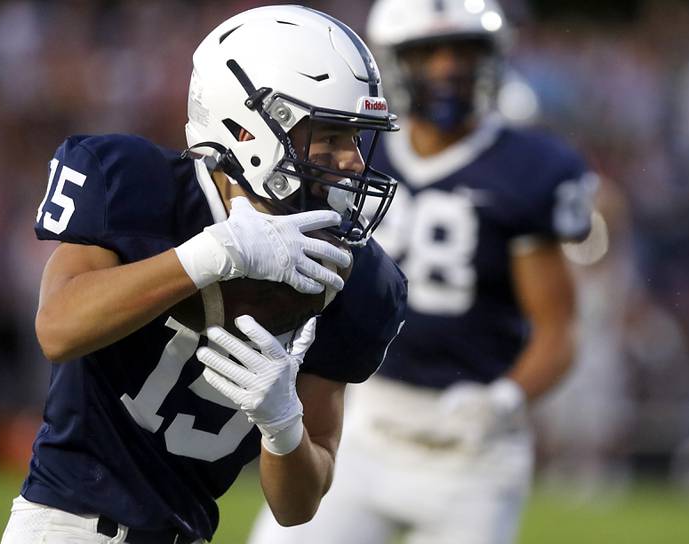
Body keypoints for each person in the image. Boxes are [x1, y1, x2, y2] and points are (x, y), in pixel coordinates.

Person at [0, 5, 406, 544]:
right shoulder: (137, 184)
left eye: (356, 139)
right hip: (69, 528)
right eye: (330, 136)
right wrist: (212, 255)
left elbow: (298, 507)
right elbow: (58, 328)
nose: (353, 162)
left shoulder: (356, 274)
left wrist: (283, 425)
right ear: (247, 127)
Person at [247, 1, 596, 543]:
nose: (447, 67)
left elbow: (559, 330)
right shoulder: (355, 150)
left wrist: (506, 399)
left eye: (464, 49)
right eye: (427, 51)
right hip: (365, 423)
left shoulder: (531, 168)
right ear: (391, 60)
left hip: (473, 449)